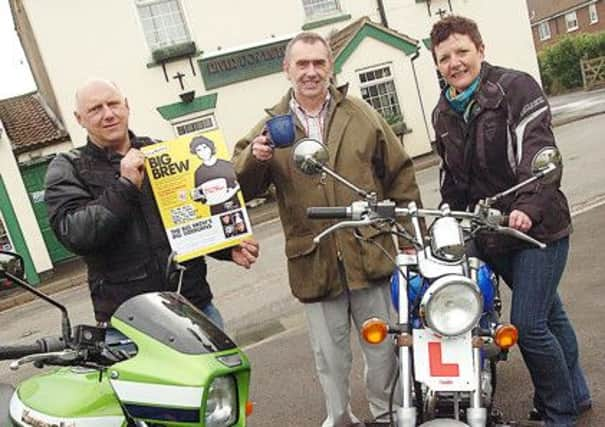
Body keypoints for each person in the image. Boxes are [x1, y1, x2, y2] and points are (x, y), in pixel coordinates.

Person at [232, 32, 422, 426]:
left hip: (369, 252)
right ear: (287, 70)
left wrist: (405, 234)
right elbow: (240, 185)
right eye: (302, 64)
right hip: (314, 261)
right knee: (330, 359)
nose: (311, 72)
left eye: (319, 63)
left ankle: (385, 416)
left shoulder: (360, 113)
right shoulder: (271, 127)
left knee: (383, 351)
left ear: (330, 67)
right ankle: (339, 419)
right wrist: (256, 158)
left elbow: (400, 173)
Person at [430, 16, 590, 427]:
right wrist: (447, 219)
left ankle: (559, 412)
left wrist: (527, 207)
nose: (455, 62)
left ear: (480, 51)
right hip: (492, 234)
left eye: (462, 51)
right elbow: (451, 177)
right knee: (550, 315)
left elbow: (539, 154)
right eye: (445, 57)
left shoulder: (516, 89)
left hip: (537, 228)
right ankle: (577, 393)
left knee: (530, 324)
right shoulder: (443, 111)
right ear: (437, 64)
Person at [44, 79, 259, 329]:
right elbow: (76, 233)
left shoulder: (161, 152)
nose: (108, 114)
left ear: (126, 106)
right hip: (129, 323)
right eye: (95, 109)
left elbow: (189, 219)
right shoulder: (69, 167)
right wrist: (124, 186)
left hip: (193, 306)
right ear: (79, 118)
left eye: (113, 104)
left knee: (226, 369)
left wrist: (227, 247)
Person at [189, 136, 242, 215]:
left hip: (233, 206)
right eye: (199, 150)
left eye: (204, 147)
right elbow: (200, 195)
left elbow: (237, 184)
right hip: (216, 211)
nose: (203, 151)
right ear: (196, 153)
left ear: (211, 148)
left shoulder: (226, 165)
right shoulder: (199, 172)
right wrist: (196, 196)